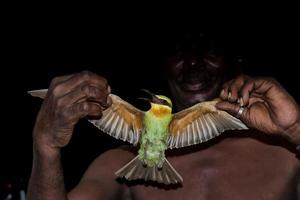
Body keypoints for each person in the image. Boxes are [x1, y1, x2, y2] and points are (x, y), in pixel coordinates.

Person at [27, 32, 300, 200]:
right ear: (163, 67)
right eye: (179, 52)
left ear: (233, 61)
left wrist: (297, 131)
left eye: (208, 49)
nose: (193, 63)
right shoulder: (120, 163)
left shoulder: (287, 152)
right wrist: (45, 148)